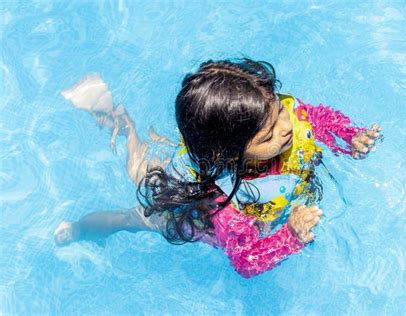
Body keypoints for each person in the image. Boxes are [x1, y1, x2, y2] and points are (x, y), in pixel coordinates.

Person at [54, 59, 382, 278]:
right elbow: (245, 261)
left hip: (234, 171)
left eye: (280, 110)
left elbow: (317, 119)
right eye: (268, 134)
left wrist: (350, 138)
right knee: (135, 201)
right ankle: (85, 220)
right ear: (231, 153)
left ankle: (119, 120)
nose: (285, 127)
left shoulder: (280, 119)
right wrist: (290, 237)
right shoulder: (227, 206)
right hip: (187, 209)